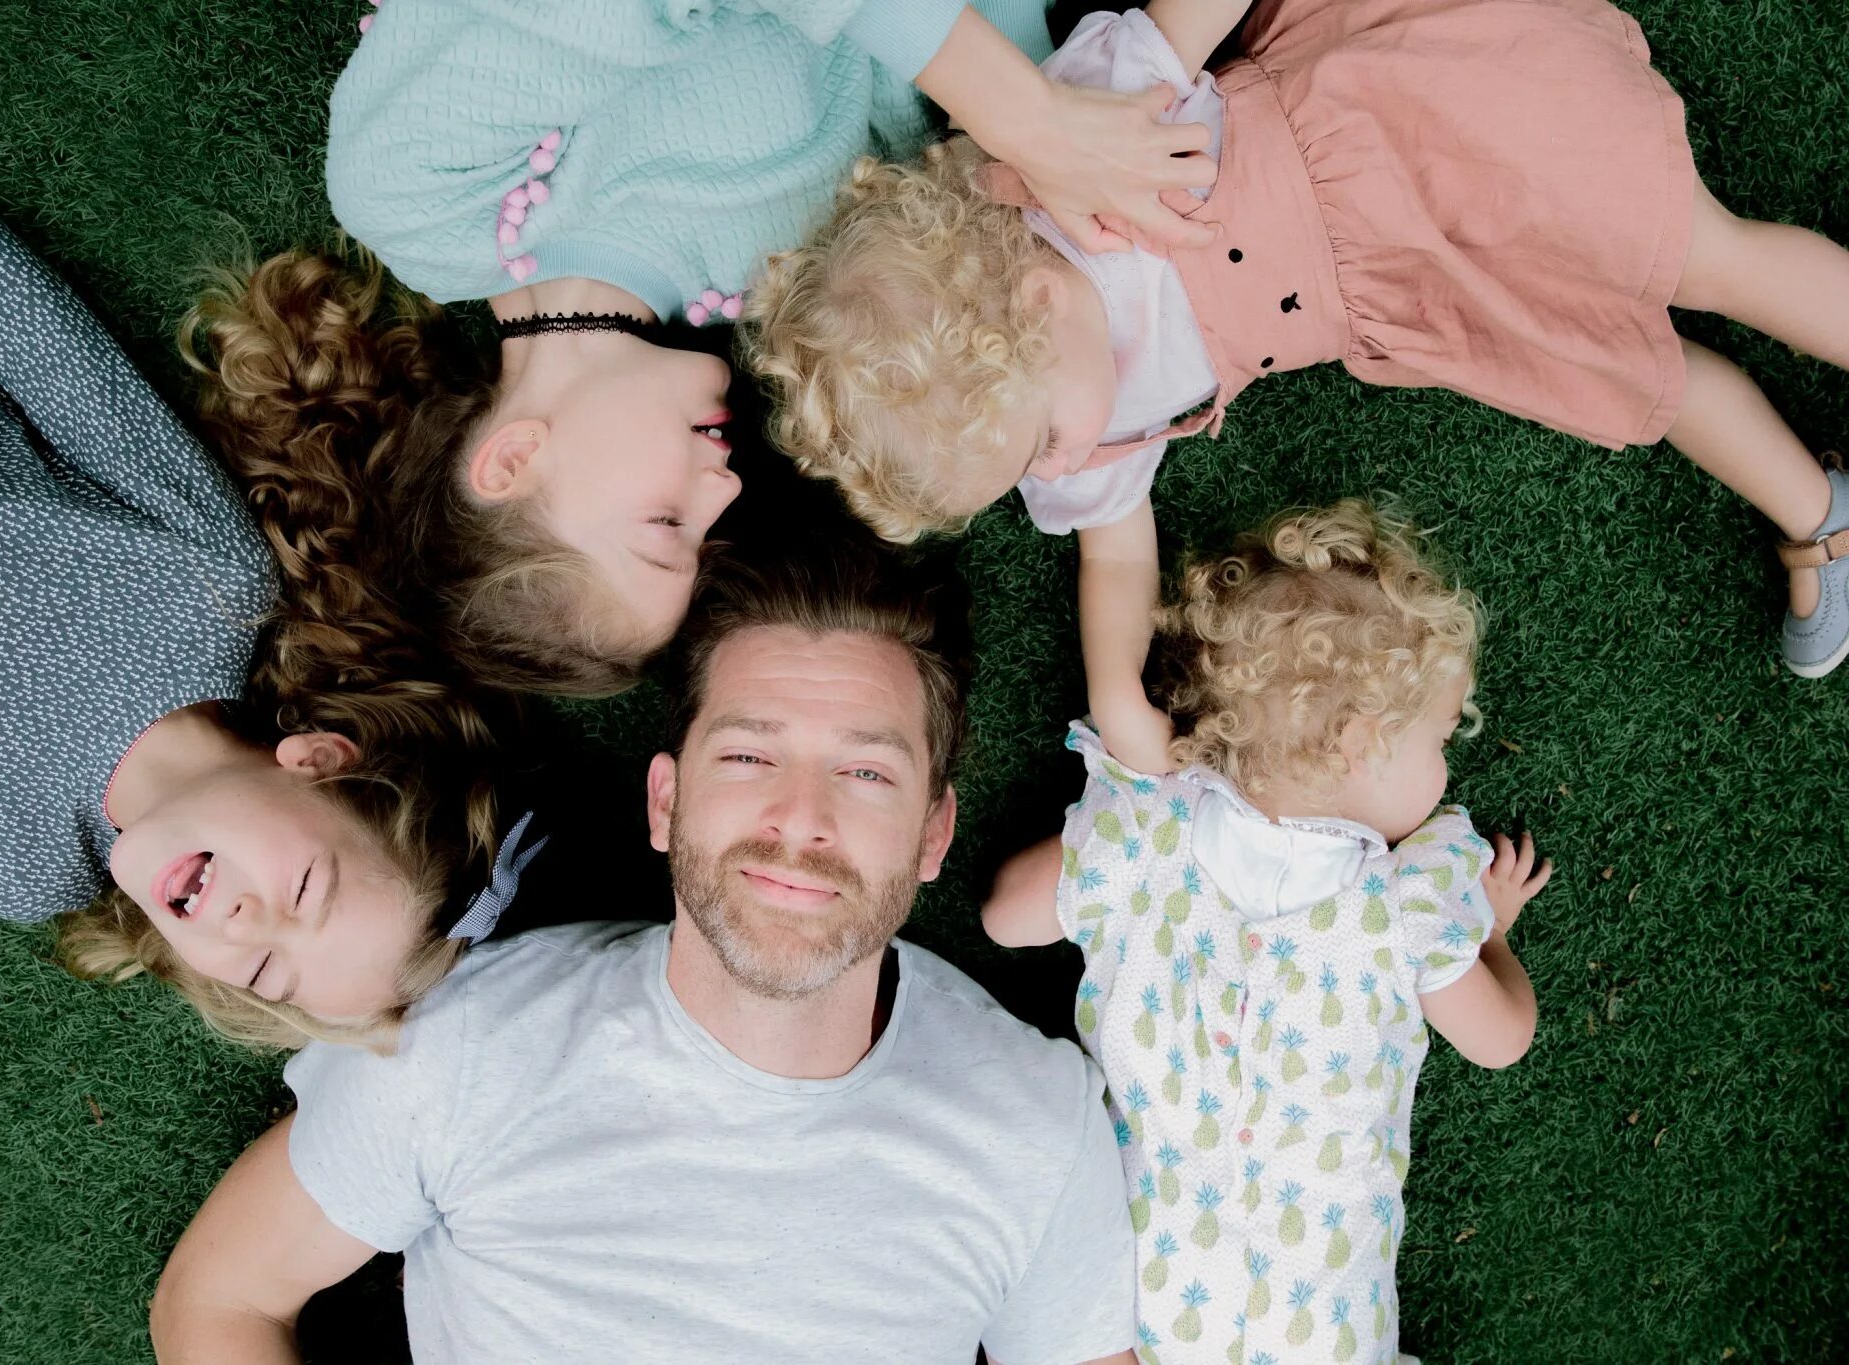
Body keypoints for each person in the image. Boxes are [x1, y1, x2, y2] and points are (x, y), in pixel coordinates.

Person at [149, 543, 1143, 1363]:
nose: (801, 820)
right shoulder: (471, 1047)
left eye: (864, 771)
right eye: (749, 757)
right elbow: (221, 1300)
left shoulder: (1035, 1125)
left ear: (931, 835)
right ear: (666, 801)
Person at [744, 0, 1849, 677]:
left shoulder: (1076, 139)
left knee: (1701, 252)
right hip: (1418, 294)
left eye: (1041, 446)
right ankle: (1817, 513)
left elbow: (1187, 21)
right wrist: (1122, 696)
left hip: (1433, 128)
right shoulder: (1088, 424)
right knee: (1625, 376)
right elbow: (1113, 559)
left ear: (1035, 308)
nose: (1064, 470)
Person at [183, 0, 1226, 699]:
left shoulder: (423, 199)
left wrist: (1030, 117)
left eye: (664, 523)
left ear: (512, 461)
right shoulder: (793, 287)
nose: (722, 493)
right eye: (706, 535)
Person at [0, 52, 497, 1048]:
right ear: (316, 761)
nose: (247, 926)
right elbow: (30, 337)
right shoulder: (207, 584)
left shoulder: (15, 868)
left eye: (263, 970)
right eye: (306, 888)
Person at [981, 500, 1548, 1362]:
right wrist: (1489, 931)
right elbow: (1502, 1038)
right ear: (1361, 742)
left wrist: (1112, 825)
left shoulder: (1150, 844)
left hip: (1137, 1330)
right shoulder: (1407, 908)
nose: (1445, 765)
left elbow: (1005, 915)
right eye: (1440, 737)